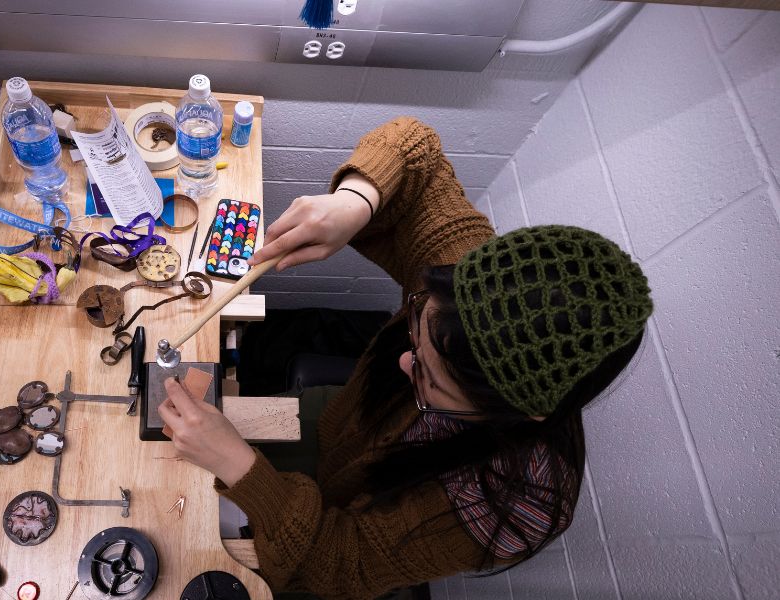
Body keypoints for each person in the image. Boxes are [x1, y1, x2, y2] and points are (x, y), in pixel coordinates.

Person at [158, 117, 654, 600]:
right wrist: (355, 202)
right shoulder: (469, 286)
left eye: (428, 376)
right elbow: (414, 147)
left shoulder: (511, 504)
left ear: (502, 411)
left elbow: (338, 564)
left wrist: (241, 468)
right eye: (417, 325)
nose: (403, 362)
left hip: (343, 530)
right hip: (341, 426)